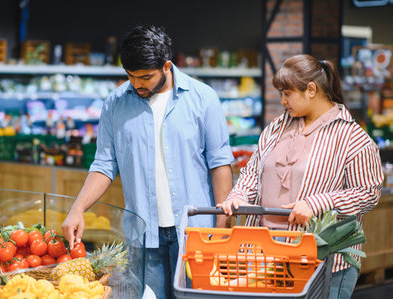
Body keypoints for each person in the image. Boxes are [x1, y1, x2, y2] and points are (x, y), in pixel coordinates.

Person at [62, 24, 234, 299]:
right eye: (130, 76)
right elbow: (104, 164)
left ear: (167, 66)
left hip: (197, 232)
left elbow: (220, 164)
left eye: (145, 77)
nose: (136, 84)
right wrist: (77, 208)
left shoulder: (203, 99)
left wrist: (222, 229)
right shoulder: (115, 104)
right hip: (143, 236)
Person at [218, 54, 383, 299]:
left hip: (324, 261)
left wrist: (316, 204)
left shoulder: (352, 138)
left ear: (311, 90)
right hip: (266, 253)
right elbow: (253, 171)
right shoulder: (276, 127)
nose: (283, 101)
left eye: (287, 94)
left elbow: (368, 193)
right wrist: (238, 196)